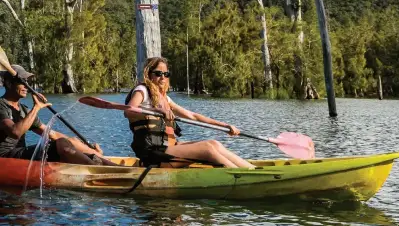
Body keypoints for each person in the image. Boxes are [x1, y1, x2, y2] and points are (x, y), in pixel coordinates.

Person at [125, 57, 255, 169]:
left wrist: (224, 125)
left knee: (214, 144)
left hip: (167, 148)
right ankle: (240, 175)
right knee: (207, 149)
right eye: (158, 73)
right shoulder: (142, 90)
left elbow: (192, 116)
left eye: (166, 74)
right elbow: (128, 111)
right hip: (152, 152)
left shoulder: (164, 98)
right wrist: (157, 111)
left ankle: (252, 170)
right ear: (149, 74)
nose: (163, 77)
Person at [0, 65, 114, 166]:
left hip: (20, 154)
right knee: (61, 143)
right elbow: (15, 132)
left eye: (27, 82)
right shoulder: (1, 105)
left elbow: (52, 134)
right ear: (9, 84)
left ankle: (104, 161)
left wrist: (87, 148)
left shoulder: (24, 110)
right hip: (6, 158)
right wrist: (36, 107)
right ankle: (97, 168)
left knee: (67, 141)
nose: (26, 86)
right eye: (22, 82)